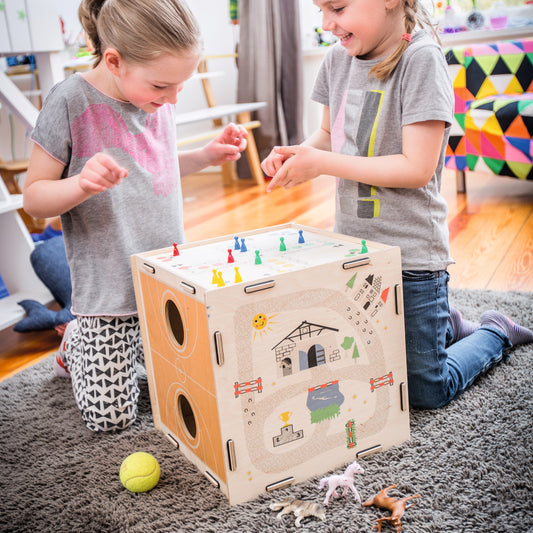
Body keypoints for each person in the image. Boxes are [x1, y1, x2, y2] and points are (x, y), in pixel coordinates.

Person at [261, 0, 533, 409]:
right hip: (356, 252)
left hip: (413, 258)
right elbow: (326, 134)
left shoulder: (421, 59)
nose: (326, 24)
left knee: (426, 390)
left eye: (336, 7)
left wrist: (322, 164)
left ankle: (494, 330)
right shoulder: (337, 60)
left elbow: (416, 169)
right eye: (319, 10)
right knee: (370, 364)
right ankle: (445, 324)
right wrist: (297, 153)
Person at [23, 0, 248, 432]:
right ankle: (76, 337)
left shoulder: (154, 96)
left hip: (166, 279)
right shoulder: (70, 101)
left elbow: (152, 169)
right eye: (164, 87)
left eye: (180, 87)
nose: (172, 99)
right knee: (111, 420)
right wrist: (82, 184)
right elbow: (35, 200)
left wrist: (204, 156)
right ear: (114, 60)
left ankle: (103, 344)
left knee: (210, 381)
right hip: (107, 295)